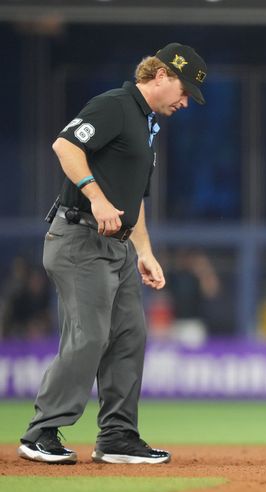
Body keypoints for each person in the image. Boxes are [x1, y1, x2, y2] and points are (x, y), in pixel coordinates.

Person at [18, 43, 207, 465]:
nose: (184, 103)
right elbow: (65, 146)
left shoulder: (145, 125)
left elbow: (134, 200)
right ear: (160, 76)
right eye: (183, 92)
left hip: (117, 248)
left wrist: (145, 251)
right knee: (90, 336)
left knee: (128, 337)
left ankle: (118, 437)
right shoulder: (116, 105)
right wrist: (97, 198)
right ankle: (41, 432)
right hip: (79, 238)